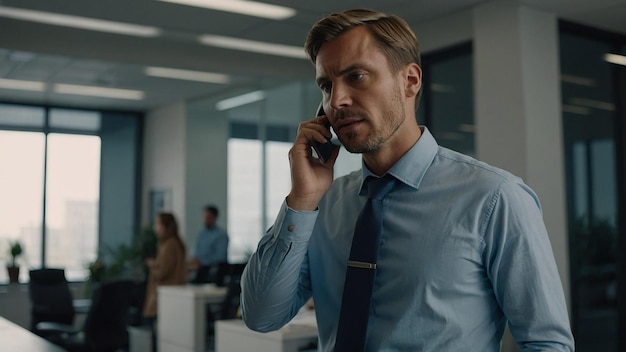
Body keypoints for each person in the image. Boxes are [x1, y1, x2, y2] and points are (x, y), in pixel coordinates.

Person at [240, 8, 575, 352]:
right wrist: (301, 199)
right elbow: (261, 316)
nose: (336, 101)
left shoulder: (495, 198)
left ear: (410, 81)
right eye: (326, 85)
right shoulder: (323, 205)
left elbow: (547, 343)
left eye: (355, 76)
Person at [142, 212, 186, 350]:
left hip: (165, 295)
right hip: (169, 295)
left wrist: (152, 264)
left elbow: (162, 272)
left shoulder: (170, 244)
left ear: (166, 226)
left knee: (161, 337)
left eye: (158, 224)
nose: (156, 227)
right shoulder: (171, 243)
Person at [188, 205, 229, 270]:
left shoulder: (221, 235)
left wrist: (202, 262)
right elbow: (197, 251)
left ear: (215, 218)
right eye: (204, 217)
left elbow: (220, 257)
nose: (205, 220)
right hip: (199, 269)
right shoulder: (202, 234)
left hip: (214, 270)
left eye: (208, 218)